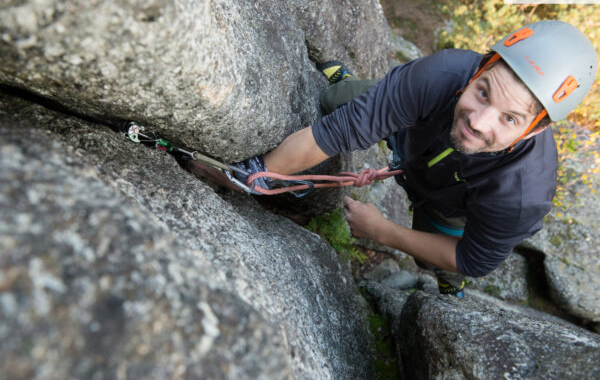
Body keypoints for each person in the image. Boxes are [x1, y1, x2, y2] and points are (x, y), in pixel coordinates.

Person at [188, 20, 597, 297]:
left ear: (537, 129)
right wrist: (252, 174)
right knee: (335, 100)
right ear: (479, 68)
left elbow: (474, 257)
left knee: (436, 258)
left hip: (448, 204)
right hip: (413, 136)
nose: (480, 120)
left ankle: (448, 289)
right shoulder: (440, 75)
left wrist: (383, 231)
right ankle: (360, 89)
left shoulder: (521, 193)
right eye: (484, 91)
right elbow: (335, 133)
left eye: (509, 118)